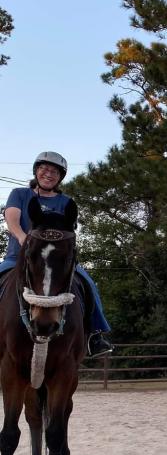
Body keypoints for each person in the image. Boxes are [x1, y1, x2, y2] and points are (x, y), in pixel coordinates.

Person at [0, 151, 114, 357]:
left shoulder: (66, 202)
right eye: (43, 169)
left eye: (54, 171)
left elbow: (69, 232)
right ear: (36, 171)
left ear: (60, 176)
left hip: (57, 262)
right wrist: (22, 237)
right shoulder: (19, 194)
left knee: (88, 284)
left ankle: (95, 335)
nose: (48, 174)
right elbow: (12, 219)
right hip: (18, 257)